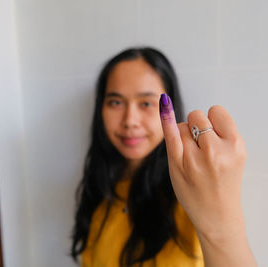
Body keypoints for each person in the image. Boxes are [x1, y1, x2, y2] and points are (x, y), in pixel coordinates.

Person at [71, 47, 257, 267]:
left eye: (146, 103)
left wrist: (222, 224)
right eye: (116, 102)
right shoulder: (98, 193)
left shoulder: (192, 191)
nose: (130, 120)